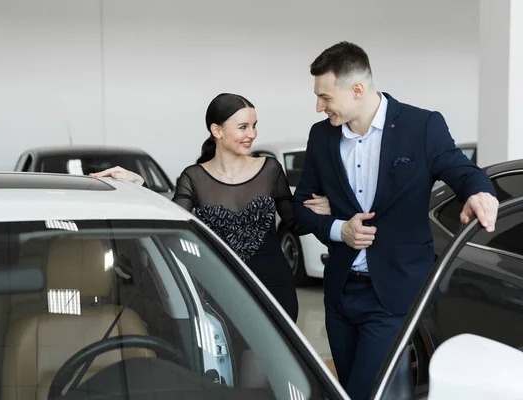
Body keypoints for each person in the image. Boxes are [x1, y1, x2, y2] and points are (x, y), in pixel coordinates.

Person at [292, 41, 498, 399]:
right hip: (340, 294)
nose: (318, 106)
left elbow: (461, 170)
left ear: (357, 89)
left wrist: (480, 192)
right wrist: (340, 229)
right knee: (347, 388)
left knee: (365, 393)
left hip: (393, 293)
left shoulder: (421, 126)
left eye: (325, 97)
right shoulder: (321, 136)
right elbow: (302, 205)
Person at [91, 93, 329, 322]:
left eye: (254, 125)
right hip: (220, 288)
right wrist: (141, 186)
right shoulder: (194, 178)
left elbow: (294, 224)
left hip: (274, 287)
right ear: (217, 130)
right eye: (243, 127)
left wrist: (321, 210)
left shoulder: (270, 170)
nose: (252, 134)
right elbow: (171, 223)